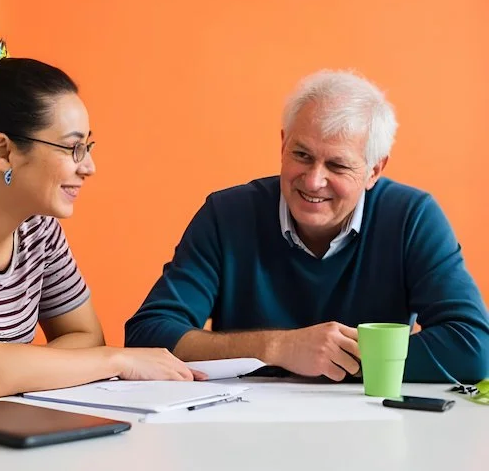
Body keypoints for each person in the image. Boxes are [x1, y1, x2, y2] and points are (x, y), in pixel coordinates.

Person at [0, 20, 204, 401]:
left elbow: (87, 338)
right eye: (73, 148)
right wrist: (119, 360)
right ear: (3, 152)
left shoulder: (36, 224)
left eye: (88, 147)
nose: (88, 167)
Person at [126, 70, 489, 383]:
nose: (314, 181)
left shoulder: (412, 217)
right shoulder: (227, 213)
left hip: (370, 434)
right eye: (302, 155)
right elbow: (148, 336)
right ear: (283, 143)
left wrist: (334, 359)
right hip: (245, 433)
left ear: (374, 171)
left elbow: (474, 347)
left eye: (338, 165)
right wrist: (280, 348)